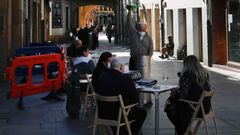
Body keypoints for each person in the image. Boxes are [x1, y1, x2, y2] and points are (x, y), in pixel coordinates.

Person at [96, 58, 147, 135]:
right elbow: (135, 99)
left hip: (102, 113)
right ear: (121, 67)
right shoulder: (125, 79)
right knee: (142, 112)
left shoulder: (102, 76)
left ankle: (121, 132)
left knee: (116, 108)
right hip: (119, 115)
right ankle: (130, 133)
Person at [166, 55, 211, 135]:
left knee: (169, 108)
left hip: (192, 109)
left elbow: (183, 95)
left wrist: (175, 92)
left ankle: (184, 132)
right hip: (205, 108)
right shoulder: (204, 74)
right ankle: (186, 131)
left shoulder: (187, 76)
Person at [127, 8, 153, 108]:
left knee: (145, 80)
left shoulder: (149, 38)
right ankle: (135, 99)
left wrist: (147, 59)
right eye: (139, 27)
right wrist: (129, 13)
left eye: (142, 27)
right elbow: (130, 24)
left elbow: (151, 50)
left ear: (145, 28)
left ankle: (146, 99)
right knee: (133, 80)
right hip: (133, 60)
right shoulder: (134, 34)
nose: (140, 28)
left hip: (144, 63)